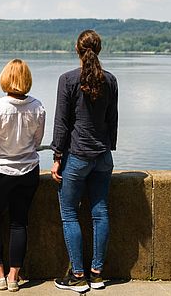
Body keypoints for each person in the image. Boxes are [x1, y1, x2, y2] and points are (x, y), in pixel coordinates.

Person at [50, 30, 118, 293]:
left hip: (76, 157)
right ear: (98, 49)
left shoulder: (67, 80)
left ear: (76, 50)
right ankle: (97, 274)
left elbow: (62, 123)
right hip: (102, 157)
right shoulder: (110, 80)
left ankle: (78, 276)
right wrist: (107, 147)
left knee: (69, 214)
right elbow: (112, 119)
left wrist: (57, 157)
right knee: (100, 213)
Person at [0, 59, 46, 292]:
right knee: (20, 222)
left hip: (0, 171)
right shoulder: (38, 106)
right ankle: (14, 277)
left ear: (5, 78)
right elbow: (37, 142)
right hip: (28, 171)